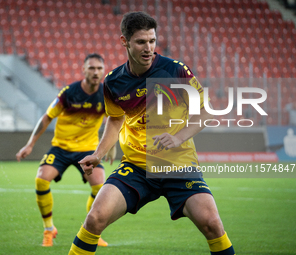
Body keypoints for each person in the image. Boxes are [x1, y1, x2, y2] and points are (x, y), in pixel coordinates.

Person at [68, 12, 235, 255]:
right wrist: (99, 153)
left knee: (212, 224)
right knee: (95, 218)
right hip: (137, 167)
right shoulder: (114, 82)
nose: (148, 48)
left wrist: (177, 138)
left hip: (178, 165)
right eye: (141, 42)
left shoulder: (175, 71)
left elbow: (205, 112)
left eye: (152, 41)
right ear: (124, 41)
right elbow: (115, 120)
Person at [16, 53, 115, 247]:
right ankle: (48, 229)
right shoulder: (68, 93)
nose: (96, 72)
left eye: (99, 69)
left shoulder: (106, 95)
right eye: (92, 68)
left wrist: (111, 146)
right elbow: (46, 117)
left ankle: (92, 233)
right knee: (41, 179)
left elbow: (114, 119)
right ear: (84, 70)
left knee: (100, 186)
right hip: (61, 148)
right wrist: (30, 144)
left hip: (87, 149)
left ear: (103, 71)